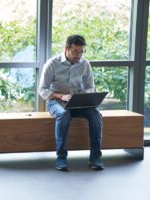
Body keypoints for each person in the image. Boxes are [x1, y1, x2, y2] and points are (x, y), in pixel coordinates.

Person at [38, 34, 104, 171]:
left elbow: (89, 86)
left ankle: (95, 158)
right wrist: (61, 96)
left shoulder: (85, 64)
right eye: (75, 51)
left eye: (81, 52)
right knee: (64, 114)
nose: (78, 55)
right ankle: (61, 158)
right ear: (66, 49)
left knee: (96, 114)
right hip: (56, 102)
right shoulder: (52, 64)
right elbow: (42, 90)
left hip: (79, 102)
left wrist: (86, 96)